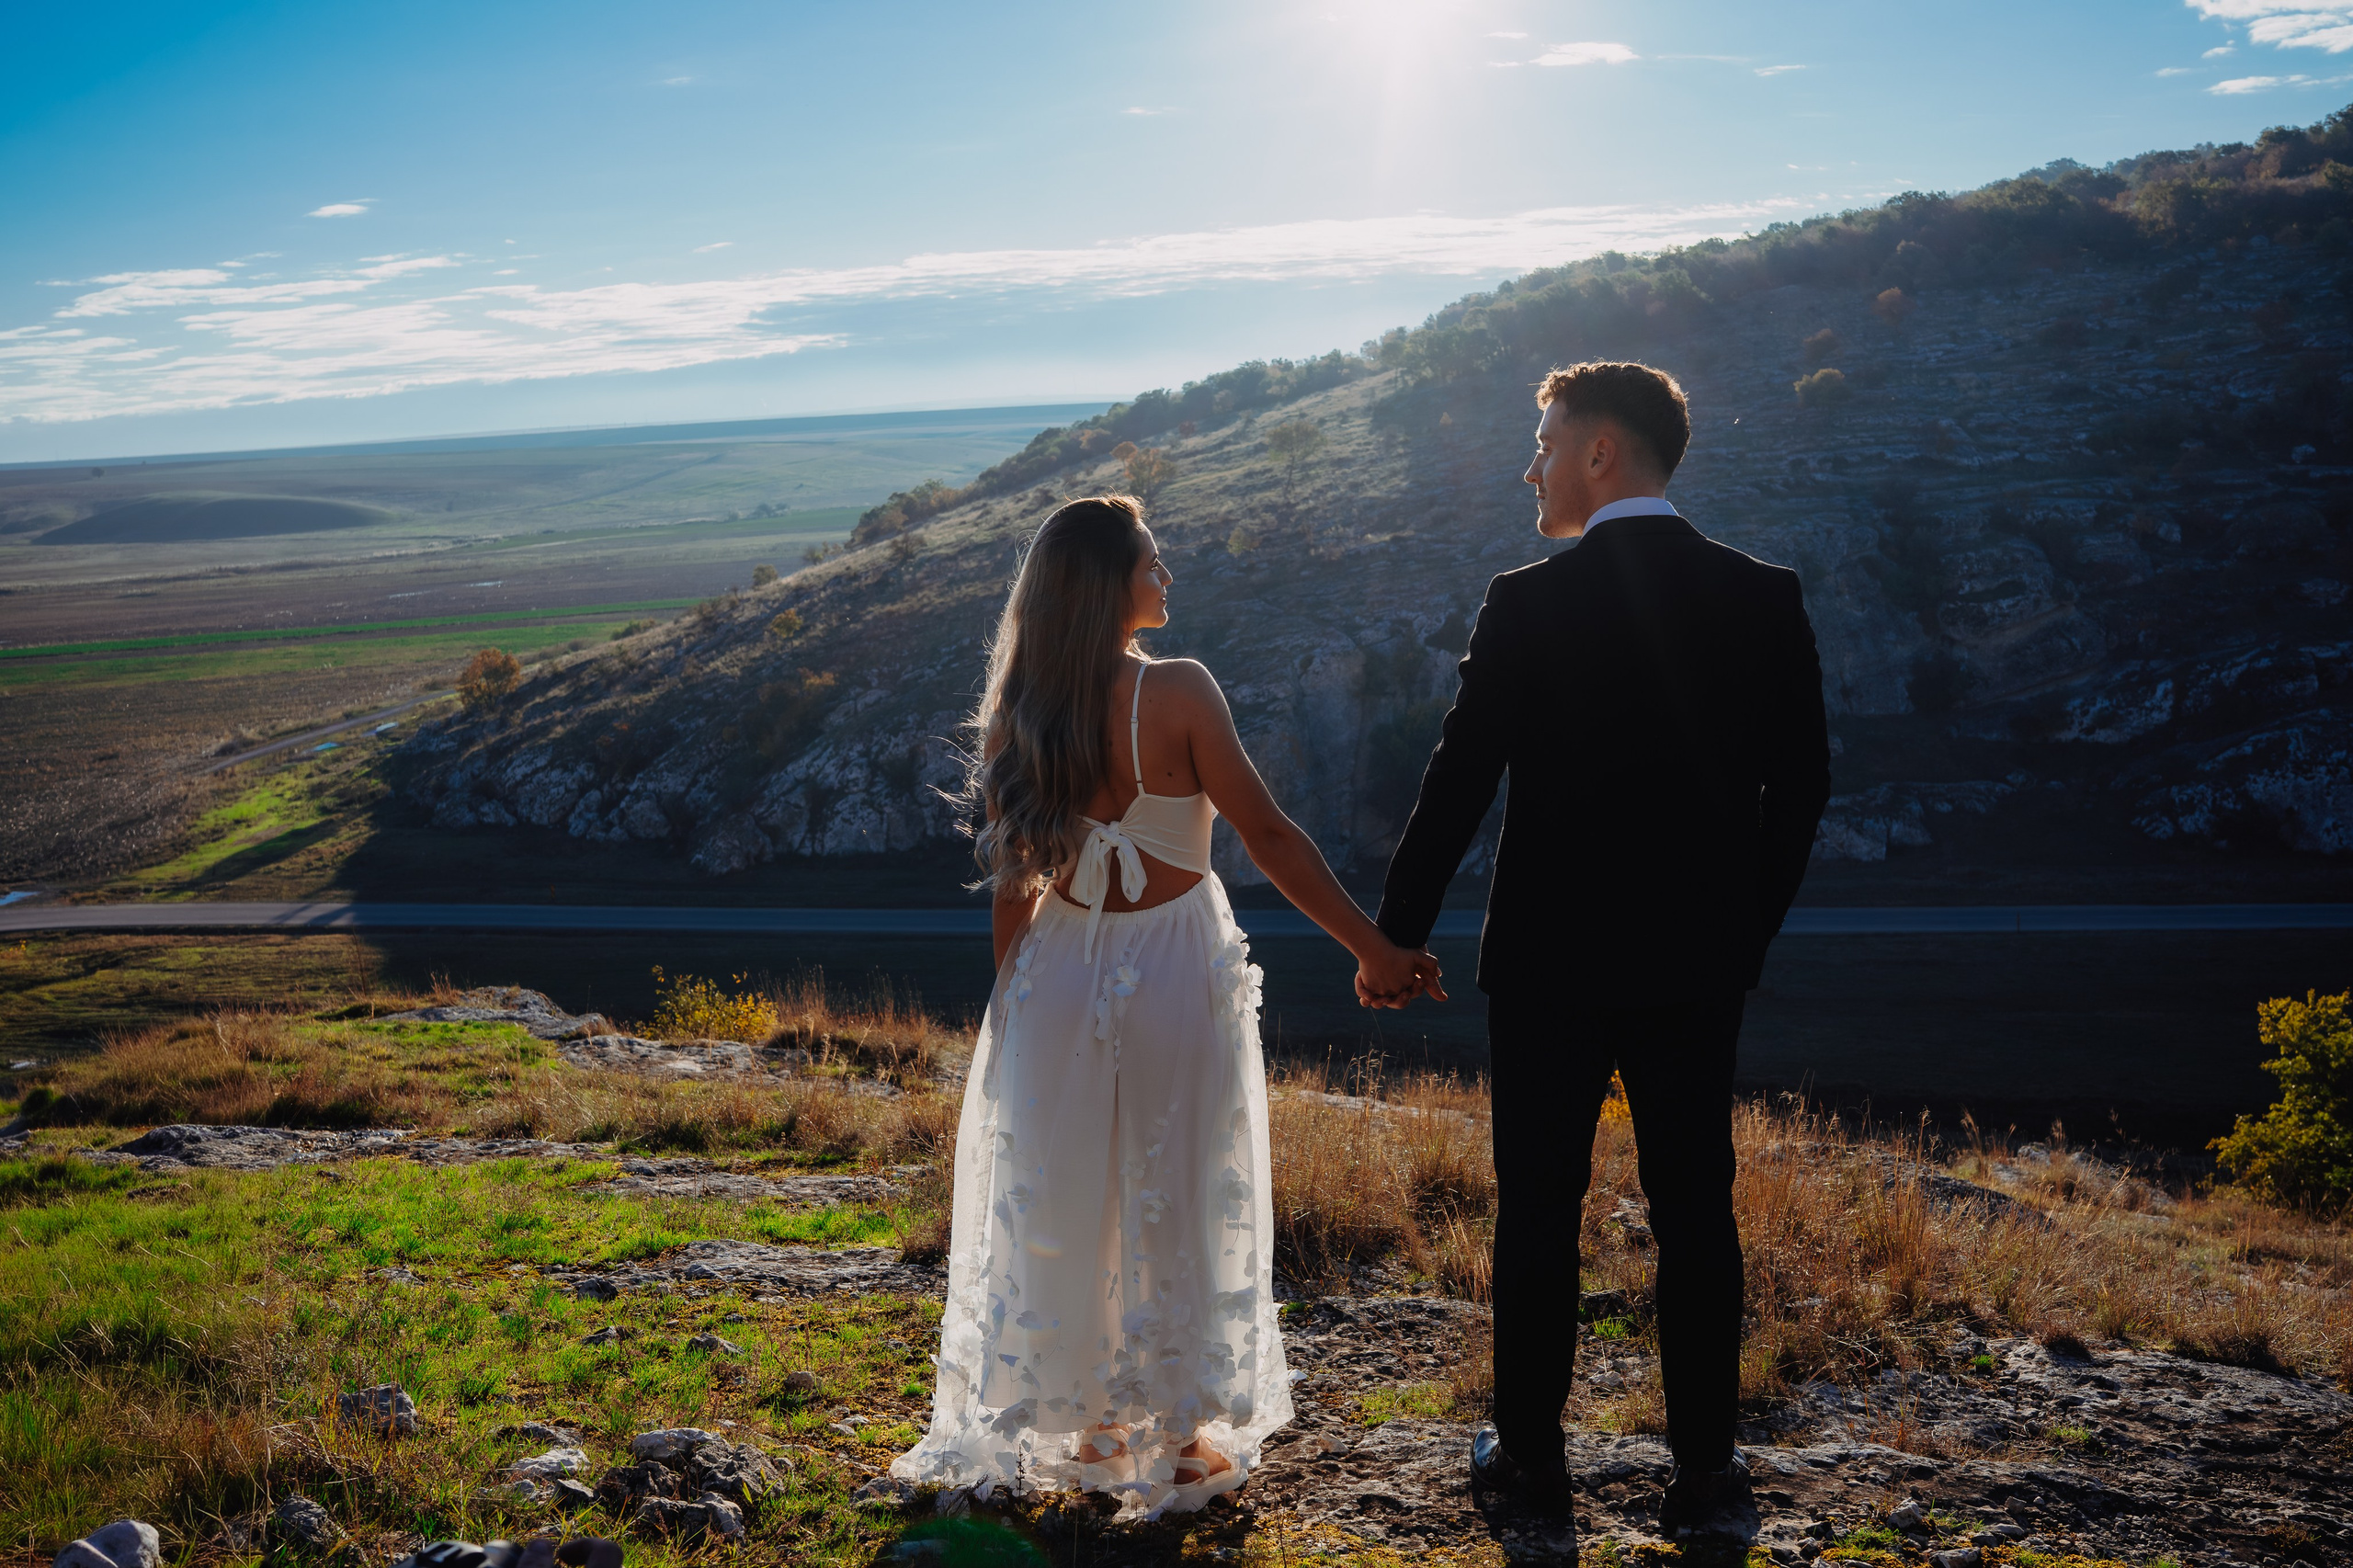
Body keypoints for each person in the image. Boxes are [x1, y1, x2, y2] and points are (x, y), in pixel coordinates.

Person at [892, 494, 1438, 1518]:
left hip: (1058, 962)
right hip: (1172, 964)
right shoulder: (1179, 692)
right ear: (1111, 584)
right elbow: (1268, 837)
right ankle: (1179, 1434)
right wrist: (1375, 948)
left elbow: (1016, 880)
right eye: (1153, 559)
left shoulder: (1023, 704)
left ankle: (1095, 1417)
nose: (1168, 574)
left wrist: (1012, 1003)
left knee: (1072, 1185)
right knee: (1179, 1172)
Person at [1371, 361, 1832, 1536]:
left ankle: (1530, 1461)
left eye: (1541, 442)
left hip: (1546, 967)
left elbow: (1456, 779)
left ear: (1599, 454)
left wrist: (1395, 939)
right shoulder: (1763, 594)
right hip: (1695, 968)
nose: (1528, 465)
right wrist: (1743, 932)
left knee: (1535, 1208)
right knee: (1698, 1210)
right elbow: (1804, 790)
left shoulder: (1524, 602)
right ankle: (1706, 1466)